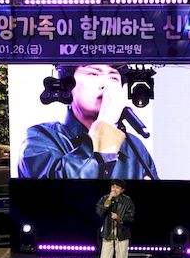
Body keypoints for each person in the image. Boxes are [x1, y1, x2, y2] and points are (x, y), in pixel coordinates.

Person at [18, 64, 158, 180]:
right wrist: (105, 128)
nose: (105, 85)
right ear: (68, 84)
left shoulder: (135, 146)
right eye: (93, 74)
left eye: (113, 77)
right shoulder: (39, 138)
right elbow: (60, 196)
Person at [95, 179, 135, 258]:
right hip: (108, 235)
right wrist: (109, 199)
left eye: (117, 187)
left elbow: (131, 216)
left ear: (122, 190)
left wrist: (119, 218)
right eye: (113, 187)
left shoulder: (127, 200)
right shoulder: (105, 199)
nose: (114, 189)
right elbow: (100, 212)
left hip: (122, 235)